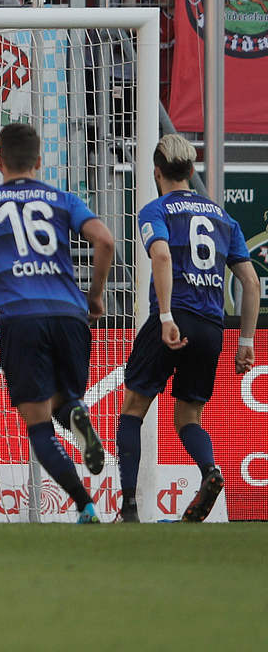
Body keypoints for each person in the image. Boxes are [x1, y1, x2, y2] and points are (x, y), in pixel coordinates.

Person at [0, 122, 116, 524]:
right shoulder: (62, 199)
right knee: (64, 400)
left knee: (38, 423)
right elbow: (106, 240)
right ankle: (79, 417)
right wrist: (94, 296)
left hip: (22, 319)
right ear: (39, 161)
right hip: (69, 314)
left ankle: (85, 505)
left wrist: (1, 295)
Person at [115, 135, 258, 523]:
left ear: (156, 172)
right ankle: (210, 471)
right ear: (192, 172)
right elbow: (251, 282)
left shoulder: (154, 210)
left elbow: (161, 254)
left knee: (133, 409)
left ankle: (128, 507)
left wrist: (164, 317)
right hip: (212, 326)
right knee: (188, 416)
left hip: (174, 316)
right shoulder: (223, 218)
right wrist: (246, 341)